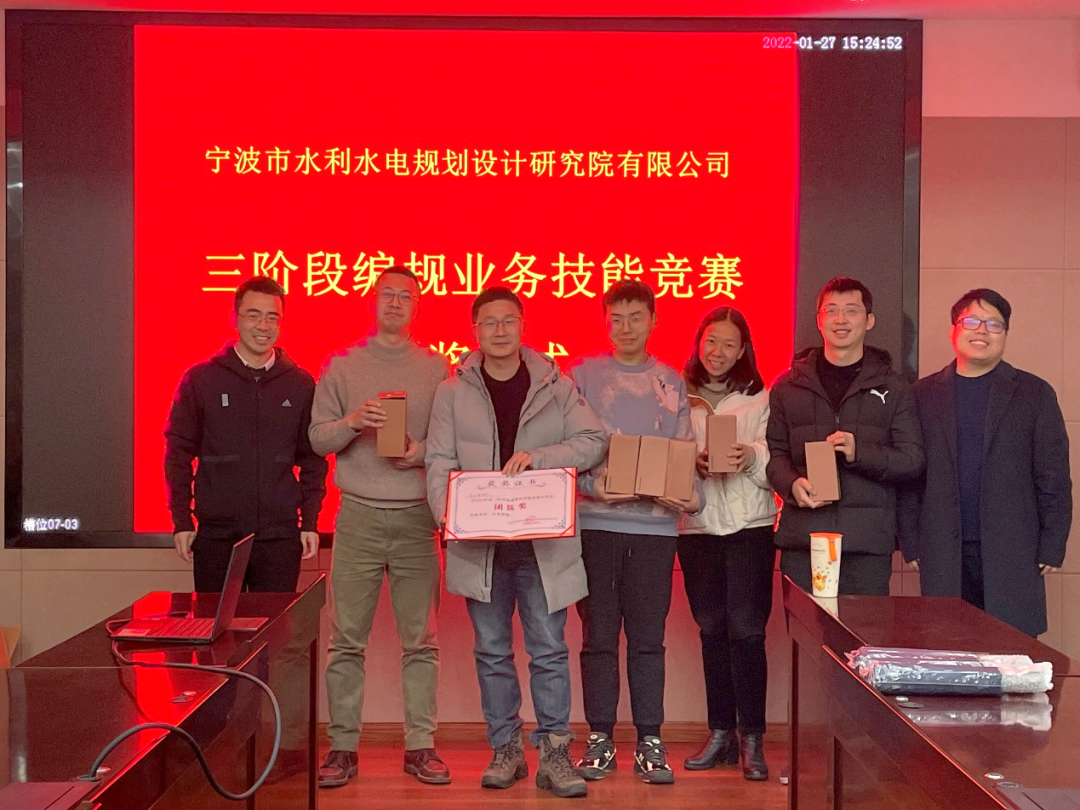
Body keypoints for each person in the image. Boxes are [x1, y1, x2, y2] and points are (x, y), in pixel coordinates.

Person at [425, 286, 606, 799]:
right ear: (474, 331)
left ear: (523, 326)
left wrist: (540, 457)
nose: (499, 330)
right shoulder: (452, 391)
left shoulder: (555, 384)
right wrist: (446, 512)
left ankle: (554, 754)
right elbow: (439, 461)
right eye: (489, 322)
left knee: (549, 650)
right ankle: (505, 748)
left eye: (509, 320)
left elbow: (593, 442)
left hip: (542, 548)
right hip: (480, 546)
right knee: (492, 651)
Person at [308, 267, 451, 787]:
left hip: (417, 518)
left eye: (405, 296)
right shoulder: (342, 365)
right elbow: (317, 439)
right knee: (346, 640)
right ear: (372, 301)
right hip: (358, 516)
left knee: (422, 641)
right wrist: (352, 423)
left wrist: (421, 453)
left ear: (418, 306)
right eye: (386, 294)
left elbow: (452, 443)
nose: (395, 302)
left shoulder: (438, 368)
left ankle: (421, 747)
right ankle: (342, 748)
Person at [569, 279, 703, 786]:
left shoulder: (670, 381)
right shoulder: (582, 376)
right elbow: (567, 451)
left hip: (654, 530)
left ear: (653, 321)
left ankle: (651, 740)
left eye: (635, 317)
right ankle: (599, 739)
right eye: (616, 318)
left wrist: (686, 494)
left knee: (648, 639)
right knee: (597, 637)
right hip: (596, 527)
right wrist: (592, 487)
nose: (625, 327)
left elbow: (684, 452)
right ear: (606, 323)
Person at [899, 289, 1072, 637]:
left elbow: (1053, 476)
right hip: (943, 549)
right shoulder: (920, 395)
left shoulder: (1034, 393)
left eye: (994, 324)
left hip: (1014, 550)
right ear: (953, 330)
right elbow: (909, 475)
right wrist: (911, 541)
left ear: (1006, 334)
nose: (982, 331)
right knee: (948, 649)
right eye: (972, 321)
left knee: (1011, 653)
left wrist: (1053, 544)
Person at [165, 275, 326, 592]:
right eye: (254, 315)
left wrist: (309, 521)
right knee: (215, 622)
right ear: (235, 318)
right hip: (217, 536)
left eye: (272, 317)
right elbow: (177, 454)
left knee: (276, 624)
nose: (263, 326)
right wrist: (182, 521)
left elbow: (313, 458)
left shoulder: (300, 383)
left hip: (279, 537)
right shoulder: (201, 380)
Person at [766, 276, 923, 596]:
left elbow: (912, 460)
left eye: (852, 311)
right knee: (805, 628)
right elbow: (775, 455)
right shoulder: (787, 386)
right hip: (804, 539)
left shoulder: (894, 387)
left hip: (866, 545)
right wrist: (792, 485)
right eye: (832, 311)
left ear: (869, 321)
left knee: (863, 629)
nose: (841, 319)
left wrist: (858, 452)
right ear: (819, 320)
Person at [677, 307, 776, 781]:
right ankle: (720, 734)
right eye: (711, 341)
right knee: (711, 630)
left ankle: (752, 737)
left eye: (729, 344)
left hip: (750, 526)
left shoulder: (761, 397)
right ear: (699, 342)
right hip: (697, 527)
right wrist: (689, 463)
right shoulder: (678, 394)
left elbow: (777, 457)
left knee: (748, 632)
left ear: (743, 352)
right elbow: (663, 451)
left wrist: (750, 456)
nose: (717, 352)